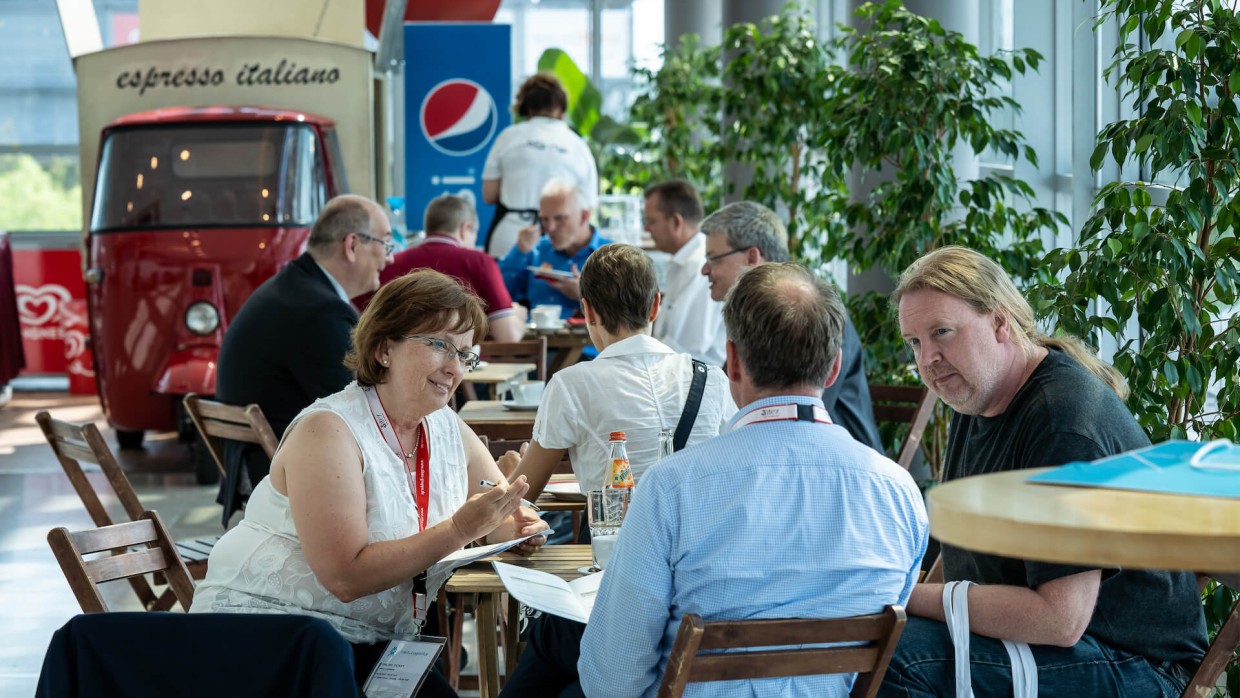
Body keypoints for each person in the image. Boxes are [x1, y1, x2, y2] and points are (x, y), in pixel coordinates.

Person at [550, 262, 924, 697]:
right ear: (834, 367)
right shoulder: (899, 492)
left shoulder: (671, 488)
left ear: (732, 362)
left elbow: (612, 680)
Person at [193, 270, 550, 696]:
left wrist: (519, 527)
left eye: (466, 355)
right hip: (272, 644)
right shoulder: (329, 430)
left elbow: (494, 510)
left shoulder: (445, 427)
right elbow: (344, 577)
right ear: (384, 348)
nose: (455, 368)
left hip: (372, 645)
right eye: (440, 345)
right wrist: (458, 530)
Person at [880, 246, 1207, 697]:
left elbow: (1060, 619)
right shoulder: (974, 398)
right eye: (915, 342)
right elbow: (956, 556)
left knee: (898, 660)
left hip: (1139, 664)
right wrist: (896, 607)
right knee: (877, 642)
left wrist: (904, 598)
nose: (928, 358)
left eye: (942, 332)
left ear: (1000, 323)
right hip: (1071, 647)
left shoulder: (1062, 421)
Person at [214, 194, 394, 526]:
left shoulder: (292, 290)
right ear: (352, 245)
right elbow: (363, 410)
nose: (387, 259)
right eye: (386, 244)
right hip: (286, 489)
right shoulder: (317, 311)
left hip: (252, 477)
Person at [505, 242, 734, 501]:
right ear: (655, 305)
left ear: (588, 311)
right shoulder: (712, 378)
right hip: (701, 537)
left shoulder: (570, 385)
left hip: (617, 539)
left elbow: (520, 498)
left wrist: (508, 474)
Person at [698, 201, 883, 451]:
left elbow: (792, 413)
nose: (704, 269)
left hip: (836, 465)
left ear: (752, 256)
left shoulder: (811, 312)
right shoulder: (752, 314)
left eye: (713, 258)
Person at [355, 194, 527, 341]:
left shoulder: (390, 263)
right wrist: (519, 313)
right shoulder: (480, 263)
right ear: (465, 229)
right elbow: (508, 335)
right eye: (474, 236)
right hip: (466, 372)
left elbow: (357, 322)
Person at [482, 73, 598, 258]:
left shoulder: (508, 137)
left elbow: (489, 195)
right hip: (558, 241)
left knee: (504, 285)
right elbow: (588, 207)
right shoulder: (578, 146)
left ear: (526, 107)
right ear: (561, 107)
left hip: (509, 237)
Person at [498, 179, 610, 320]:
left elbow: (630, 312)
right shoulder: (535, 250)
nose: (550, 228)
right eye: (544, 219)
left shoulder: (611, 255)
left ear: (584, 216)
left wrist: (587, 295)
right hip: (536, 339)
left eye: (559, 218)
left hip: (589, 341)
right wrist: (519, 251)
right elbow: (498, 296)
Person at [644, 180, 726, 367]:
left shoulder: (699, 265)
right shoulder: (683, 261)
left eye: (651, 221)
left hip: (692, 383)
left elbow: (690, 348)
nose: (646, 229)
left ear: (676, 222)